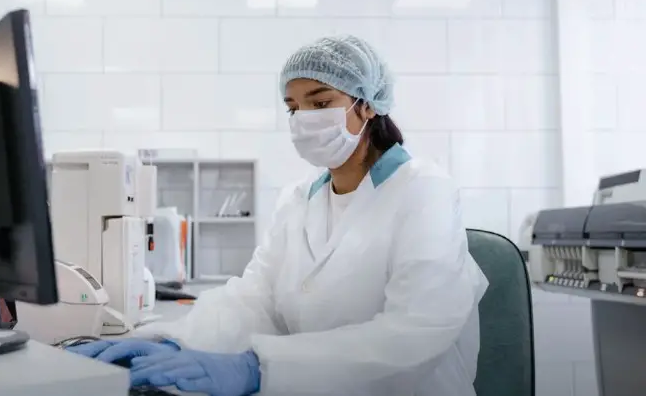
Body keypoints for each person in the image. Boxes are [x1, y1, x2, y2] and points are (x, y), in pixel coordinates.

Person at [67, 35, 489, 396]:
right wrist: (170, 340)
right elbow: (254, 299)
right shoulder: (299, 199)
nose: (304, 120)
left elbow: (415, 333)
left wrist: (259, 367)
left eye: (320, 102)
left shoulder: (423, 189)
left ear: (368, 106)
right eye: (293, 107)